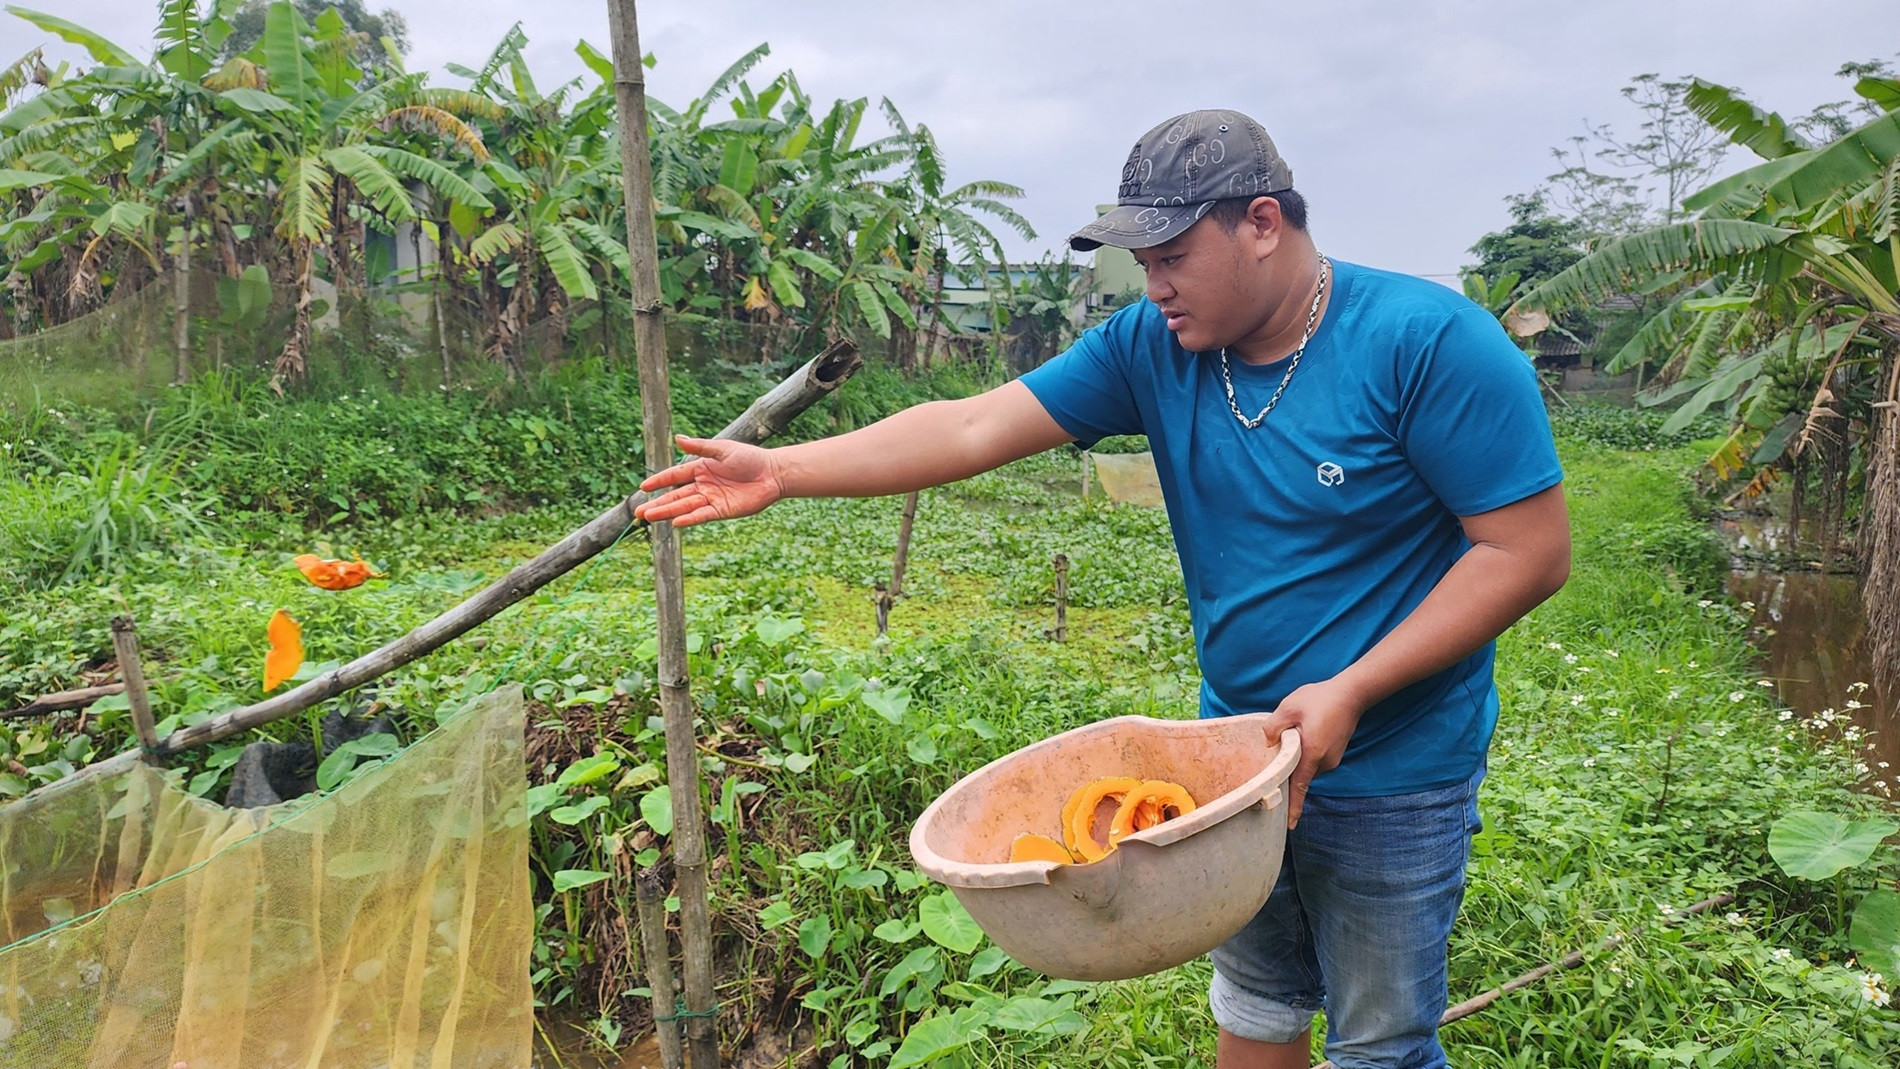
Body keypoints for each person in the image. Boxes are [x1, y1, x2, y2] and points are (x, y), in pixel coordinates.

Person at [635, 108, 1571, 1069]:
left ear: (1260, 223)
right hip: (1233, 760)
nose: (1152, 285)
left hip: (1394, 764)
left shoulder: (1428, 345)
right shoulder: (1151, 348)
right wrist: (785, 470)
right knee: (1256, 1001)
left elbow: (1526, 551)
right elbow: (968, 427)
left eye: (1170, 255)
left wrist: (1355, 688)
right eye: (1142, 261)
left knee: (1379, 1038)